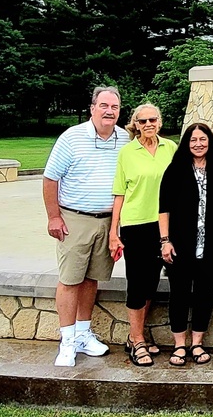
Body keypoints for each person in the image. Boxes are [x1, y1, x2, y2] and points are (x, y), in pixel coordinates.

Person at [43, 86, 128, 367]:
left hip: (107, 221)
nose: (109, 111)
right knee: (70, 280)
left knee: (92, 279)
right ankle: (67, 341)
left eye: (114, 107)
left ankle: (82, 333)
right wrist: (54, 217)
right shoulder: (72, 137)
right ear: (92, 108)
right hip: (74, 219)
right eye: (104, 105)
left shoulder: (125, 139)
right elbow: (50, 179)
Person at [108, 103, 178, 367]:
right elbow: (119, 193)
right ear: (135, 124)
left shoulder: (170, 148)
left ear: (159, 122)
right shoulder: (127, 153)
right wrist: (114, 232)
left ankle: (134, 335)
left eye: (153, 119)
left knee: (151, 283)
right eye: (142, 121)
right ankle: (137, 340)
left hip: (165, 224)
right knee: (137, 282)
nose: (148, 124)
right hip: (136, 224)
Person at [158, 123, 213, 367]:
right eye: (193, 139)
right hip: (180, 244)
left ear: (210, 142)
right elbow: (163, 208)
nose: (198, 144)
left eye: (203, 139)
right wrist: (165, 241)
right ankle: (179, 345)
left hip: (211, 245)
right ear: (186, 143)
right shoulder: (175, 170)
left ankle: (197, 342)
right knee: (179, 293)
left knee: (204, 294)